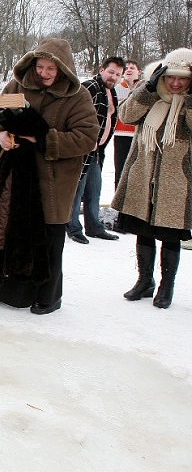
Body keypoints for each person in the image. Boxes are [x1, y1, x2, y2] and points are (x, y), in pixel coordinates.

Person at [0, 37, 98, 315]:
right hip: (13, 176)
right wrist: (0, 134)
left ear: (63, 69)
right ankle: (3, 289)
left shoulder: (78, 97)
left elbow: (87, 137)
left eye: (51, 69)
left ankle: (50, 297)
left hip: (53, 180)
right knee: (7, 233)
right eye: (40, 67)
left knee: (49, 239)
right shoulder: (17, 85)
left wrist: (43, 138)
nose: (44, 73)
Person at [112, 48, 192, 309]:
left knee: (170, 234)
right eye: (170, 77)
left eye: (182, 79)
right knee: (143, 230)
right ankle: (144, 280)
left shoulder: (189, 103)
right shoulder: (150, 94)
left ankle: (166, 286)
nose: (176, 83)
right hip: (143, 174)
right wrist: (147, 89)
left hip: (176, 180)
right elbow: (126, 115)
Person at [66, 56, 125, 244]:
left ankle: (94, 227)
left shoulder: (111, 91)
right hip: (82, 149)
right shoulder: (89, 87)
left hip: (97, 150)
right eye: (111, 72)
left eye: (118, 74)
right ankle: (73, 227)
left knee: (94, 189)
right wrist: (85, 138)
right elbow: (74, 114)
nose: (114, 77)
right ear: (101, 70)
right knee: (77, 189)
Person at [113, 59, 142, 190]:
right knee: (120, 170)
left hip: (139, 136)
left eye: (132, 68)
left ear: (139, 72)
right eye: (127, 68)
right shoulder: (116, 89)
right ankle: (118, 197)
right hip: (121, 135)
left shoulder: (144, 90)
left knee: (137, 171)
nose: (129, 70)